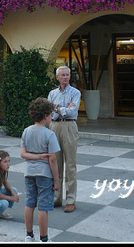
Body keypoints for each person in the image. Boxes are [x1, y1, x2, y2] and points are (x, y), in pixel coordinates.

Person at [20, 97, 60, 243]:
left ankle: (29, 235)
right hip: (44, 175)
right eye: (50, 114)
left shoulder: (26, 131)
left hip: (29, 173)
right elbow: (53, 159)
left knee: (29, 203)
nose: (51, 117)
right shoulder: (49, 134)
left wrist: (36, 157)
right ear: (45, 116)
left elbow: (22, 154)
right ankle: (44, 239)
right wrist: (56, 180)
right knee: (43, 207)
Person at [48, 65, 81, 213]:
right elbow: (49, 112)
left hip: (69, 127)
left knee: (70, 164)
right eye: (62, 75)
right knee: (55, 162)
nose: (65, 77)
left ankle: (71, 199)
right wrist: (63, 109)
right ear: (57, 77)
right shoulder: (52, 93)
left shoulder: (76, 92)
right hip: (54, 127)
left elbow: (73, 111)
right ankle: (56, 197)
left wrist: (58, 109)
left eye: (67, 75)